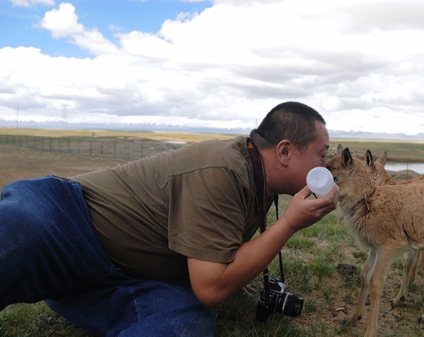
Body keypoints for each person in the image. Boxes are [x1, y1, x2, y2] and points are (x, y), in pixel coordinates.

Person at [0, 101, 339, 337]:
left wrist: (237, 266)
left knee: (185, 322)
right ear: (284, 151)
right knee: (29, 226)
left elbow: (217, 260)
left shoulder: (261, 185)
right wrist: (290, 223)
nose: (326, 167)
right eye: (322, 155)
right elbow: (210, 288)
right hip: (70, 224)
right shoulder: (223, 168)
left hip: (122, 283)